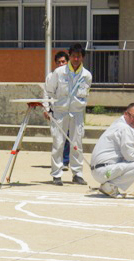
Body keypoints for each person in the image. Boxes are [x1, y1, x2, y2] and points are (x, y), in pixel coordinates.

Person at [45, 44, 92, 186]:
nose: (76, 58)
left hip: (77, 113)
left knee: (77, 144)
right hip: (60, 112)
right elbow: (49, 91)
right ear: (69, 56)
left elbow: (85, 95)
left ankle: (77, 174)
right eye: (73, 56)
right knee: (58, 143)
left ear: (82, 57)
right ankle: (57, 174)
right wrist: (48, 108)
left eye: (79, 56)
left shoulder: (87, 75)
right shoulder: (59, 72)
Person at [90, 103, 134, 198]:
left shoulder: (117, 123)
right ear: (126, 113)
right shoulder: (125, 128)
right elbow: (129, 155)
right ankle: (110, 186)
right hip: (105, 171)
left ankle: (109, 186)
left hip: (100, 170)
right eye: (133, 116)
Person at [43, 51, 71, 172]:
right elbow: (46, 93)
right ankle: (57, 163)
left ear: (67, 62)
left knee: (68, 137)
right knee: (58, 138)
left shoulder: (71, 75)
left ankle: (65, 161)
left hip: (70, 111)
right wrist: (46, 108)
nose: (61, 64)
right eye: (58, 62)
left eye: (63, 61)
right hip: (55, 111)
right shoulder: (50, 76)